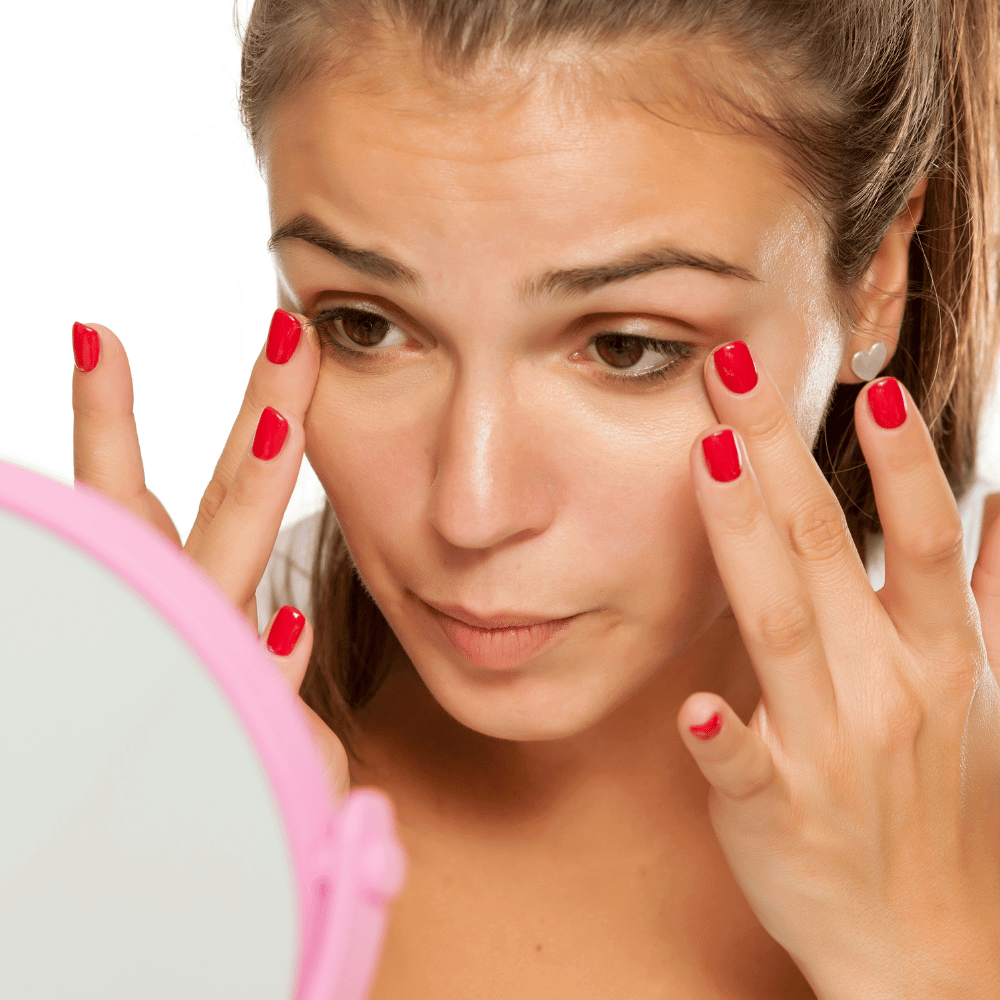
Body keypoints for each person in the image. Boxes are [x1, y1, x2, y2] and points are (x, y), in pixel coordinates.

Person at [70, 0, 1000, 995]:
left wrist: (927, 955)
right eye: (364, 325)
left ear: (873, 280)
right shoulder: (122, 777)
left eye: (624, 346)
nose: (470, 511)